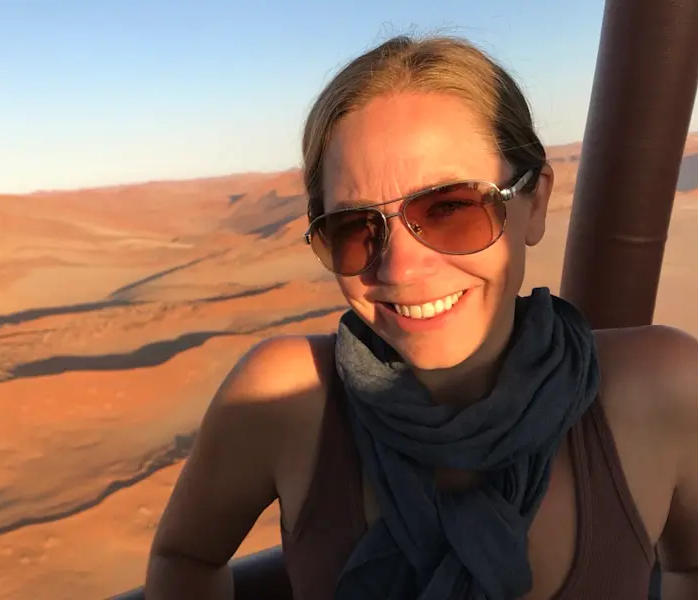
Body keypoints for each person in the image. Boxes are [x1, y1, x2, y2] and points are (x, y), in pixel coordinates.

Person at [144, 35, 698, 600]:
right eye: (355, 228)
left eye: (450, 208)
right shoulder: (283, 400)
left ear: (534, 202)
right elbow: (184, 557)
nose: (400, 269)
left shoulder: (662, 388)